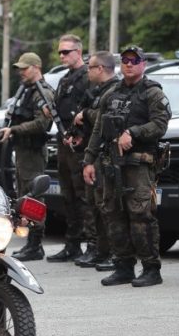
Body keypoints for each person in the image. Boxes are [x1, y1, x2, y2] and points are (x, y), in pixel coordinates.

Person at [82, 45, 171, 287]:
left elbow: (160, 124)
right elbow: (99, 129)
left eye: (134, 60)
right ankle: (123, 266)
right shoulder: (112, 94)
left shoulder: (152, 93)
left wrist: (133, 132)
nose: (129, 64)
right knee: (113, 214)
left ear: (143, 64)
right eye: (125, 60)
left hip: (139, 165)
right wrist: (88, 161)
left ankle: (151, 269)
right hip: (111, 164)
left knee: (141, 215)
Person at [0, 52, 55, 262]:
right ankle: (30, 242)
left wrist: (14, 130)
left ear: (36, 67)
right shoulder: (28, 91)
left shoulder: (43, 93)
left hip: (33, 151)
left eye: (25, 68)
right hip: (23, 151)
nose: (21, 72)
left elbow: (42, 123)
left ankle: (36, 244)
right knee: (24, 195)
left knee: (34, 196)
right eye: (20, 68)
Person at [47, 34, 95, 263]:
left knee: (84, 196)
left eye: (66, 52)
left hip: (81, 144)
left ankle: (93, 245)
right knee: (68, 196)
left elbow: (91, 112)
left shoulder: (87, 77)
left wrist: (80, 137)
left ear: (78, 52)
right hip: (63, 142)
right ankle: (72, 244)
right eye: (60, 52)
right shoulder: (65, 78)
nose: (62, 56)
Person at [73, 51, 119, 271]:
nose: (87, 71)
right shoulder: (98, 91)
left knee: (106, 206)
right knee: (94, 204)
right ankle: (100, 250)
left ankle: (113, 252)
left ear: (100, 68)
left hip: (110, 155)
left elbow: (105, 121)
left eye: (90, 67)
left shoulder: (114, 90)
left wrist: (86, 114)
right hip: (95, 153)